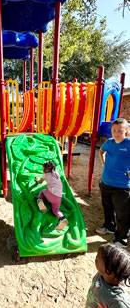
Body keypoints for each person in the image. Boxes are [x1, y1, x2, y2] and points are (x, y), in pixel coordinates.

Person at [96, 118, 130, 248]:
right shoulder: (109, 143)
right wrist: (104, 163)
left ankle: (122, 239)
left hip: (122, 186)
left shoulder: (128, 143)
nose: (116, 133)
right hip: (106, 182)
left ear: (125, 130)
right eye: (114, 130)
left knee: (122, 214)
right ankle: (109, 226)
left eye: (120, 130)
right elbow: (101, 151)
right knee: (107, 208)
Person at [86, 242, 130, 308]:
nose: (96, 258)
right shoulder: (101, 274)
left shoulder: (119, 302)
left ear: (108, 270)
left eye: (98, 257)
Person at [35, 160, 68, 230]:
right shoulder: (57, 174)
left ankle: (40, 201)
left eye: (43, 168)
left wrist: (37, 179)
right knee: (55, 210)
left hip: (51, 196)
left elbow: (40, 182)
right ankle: (62, 218)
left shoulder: (45, 175)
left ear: (46, 169)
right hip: (59, 197)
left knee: (43, 191)